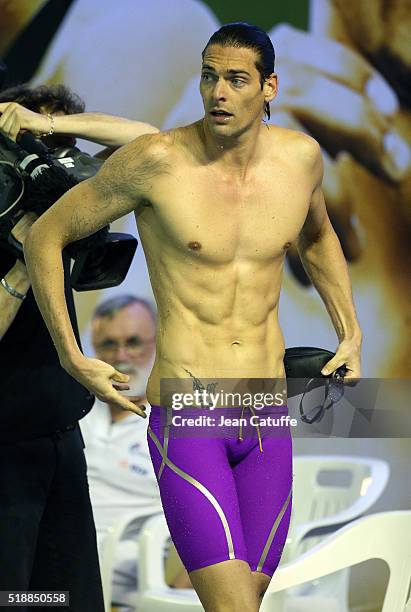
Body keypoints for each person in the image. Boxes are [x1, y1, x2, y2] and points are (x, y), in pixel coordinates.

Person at [24, 23, 362, 612]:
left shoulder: (300, 160)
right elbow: (46, 237)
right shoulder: (157, 162)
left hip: (264, 412)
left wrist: (350, 333)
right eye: (210, 76)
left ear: (269, 88)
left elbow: (318, 239)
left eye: (236, 80)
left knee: (245, 601)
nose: (218, 93)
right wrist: (72, 356)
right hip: (190, 409)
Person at [0, 83, 157, 611]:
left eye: (64, 145)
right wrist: (24, 256)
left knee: (67, 599)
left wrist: (48, 127)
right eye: (38, 143)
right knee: (17, 599)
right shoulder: (15, 226)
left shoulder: (65, 217)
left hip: (60, 444)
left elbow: (146, 139)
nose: (53, 162)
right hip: (6, 454)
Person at [80, 294, 191, 609]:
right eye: (107, 345)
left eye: (134, 342)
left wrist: (176, 600)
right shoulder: (75, 411)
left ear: (159, 344)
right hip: (51, 574)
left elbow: (224, 523)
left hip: (121, 595)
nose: (121, 356)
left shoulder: (179, 424)